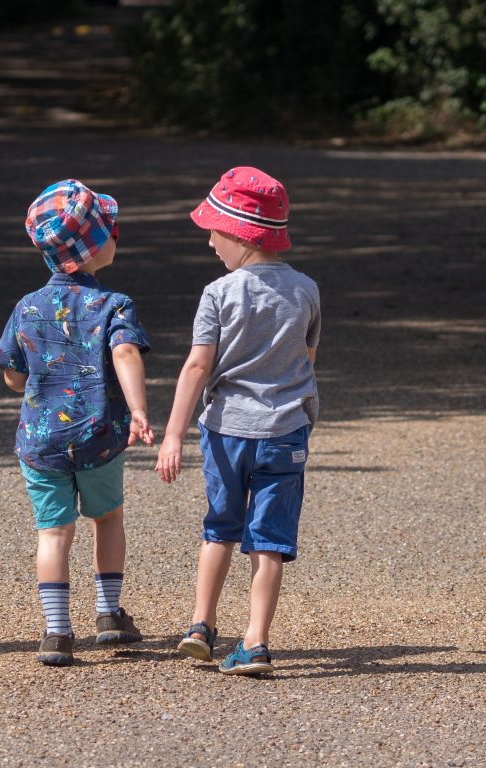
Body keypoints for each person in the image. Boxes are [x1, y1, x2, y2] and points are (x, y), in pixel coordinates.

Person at [155, 166, 320, 676]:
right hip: (286, 432)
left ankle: (200, 625)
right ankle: (256, 642)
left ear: (241, 235)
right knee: (270, 540)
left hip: (227, 430)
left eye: (215, 232)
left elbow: (198, 366)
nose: (209, 242)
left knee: (219, 527)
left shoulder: (219, 293)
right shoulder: (307, 289)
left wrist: (174, 434)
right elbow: (308, 359)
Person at [0, 179, 155, 667]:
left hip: (41, 442)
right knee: (107, 518)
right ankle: (108, 615)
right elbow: (124, 352)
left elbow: (13, 378)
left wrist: (38, 378)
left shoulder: (27, 306)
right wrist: (140, 409)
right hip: (99, 435)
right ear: (94, 246)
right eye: (110, 228)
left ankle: (56, 630)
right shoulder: (114, 305)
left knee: (53, 532)